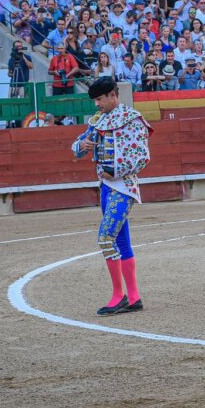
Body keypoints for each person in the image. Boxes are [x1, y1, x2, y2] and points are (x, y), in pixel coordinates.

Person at [72, 77, 152, 316]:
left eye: (99, 99)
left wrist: (116, 171)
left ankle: (120, 296)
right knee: (121, 241)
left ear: (112, 95)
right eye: (95, 100)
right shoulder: (99, 121)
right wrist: (83, 145)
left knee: (106, 237)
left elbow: (142, 157)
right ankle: (134, 297)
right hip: (106, 187)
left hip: (123, 187)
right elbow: (76, 147)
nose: (97, 104)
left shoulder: (132, 120)